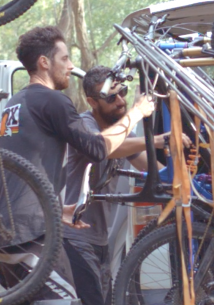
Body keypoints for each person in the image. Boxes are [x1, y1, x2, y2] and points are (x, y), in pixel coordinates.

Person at [0, 26, 154, 301]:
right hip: (32, 238)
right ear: (44, 62)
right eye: (65, 58)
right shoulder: (52, 100)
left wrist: (56, 210)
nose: (70, 66)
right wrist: (137, 112)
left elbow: (19, 175)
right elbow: (98, 148)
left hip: (9, 235)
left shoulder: (15, 103)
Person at [62, 65, 188, 305]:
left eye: (123, 92)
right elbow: (105, 148)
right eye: (111, 97)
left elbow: (151, 169)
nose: (120, 101)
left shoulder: (119, 133)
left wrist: (182, 176)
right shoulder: (84, 126)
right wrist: (158, 140)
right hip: (76, 239)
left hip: (99, 240)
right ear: (92, 102)